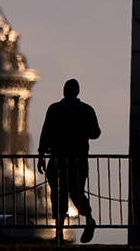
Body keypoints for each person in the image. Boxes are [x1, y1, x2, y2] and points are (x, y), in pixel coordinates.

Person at [37, 79, 101, 244]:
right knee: (71, 192)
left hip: (61, 159)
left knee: (63, 194)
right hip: (75, 159)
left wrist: (41, 157)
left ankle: (62, 230)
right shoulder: (86, 110)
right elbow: (95, 133)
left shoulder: (55, 109)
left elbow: (45, 134)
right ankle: (85, 220)